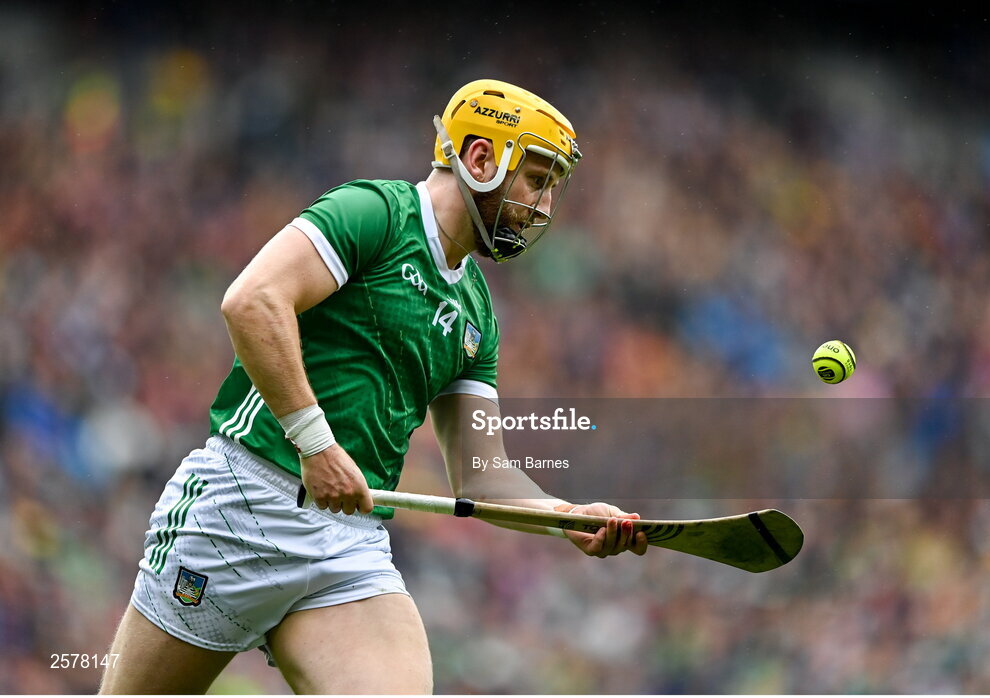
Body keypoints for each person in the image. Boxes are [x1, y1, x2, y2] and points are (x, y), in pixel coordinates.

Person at [99, 79, 647, 695]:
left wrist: (564, 516)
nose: (543, 205)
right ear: (480, 159)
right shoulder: (375, 213)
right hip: (239, 506)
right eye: (536, 178)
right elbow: (251, 301)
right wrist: (315, 443)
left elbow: (482, 474)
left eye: (550, 188)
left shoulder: (477, 313)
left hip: (345, 542)